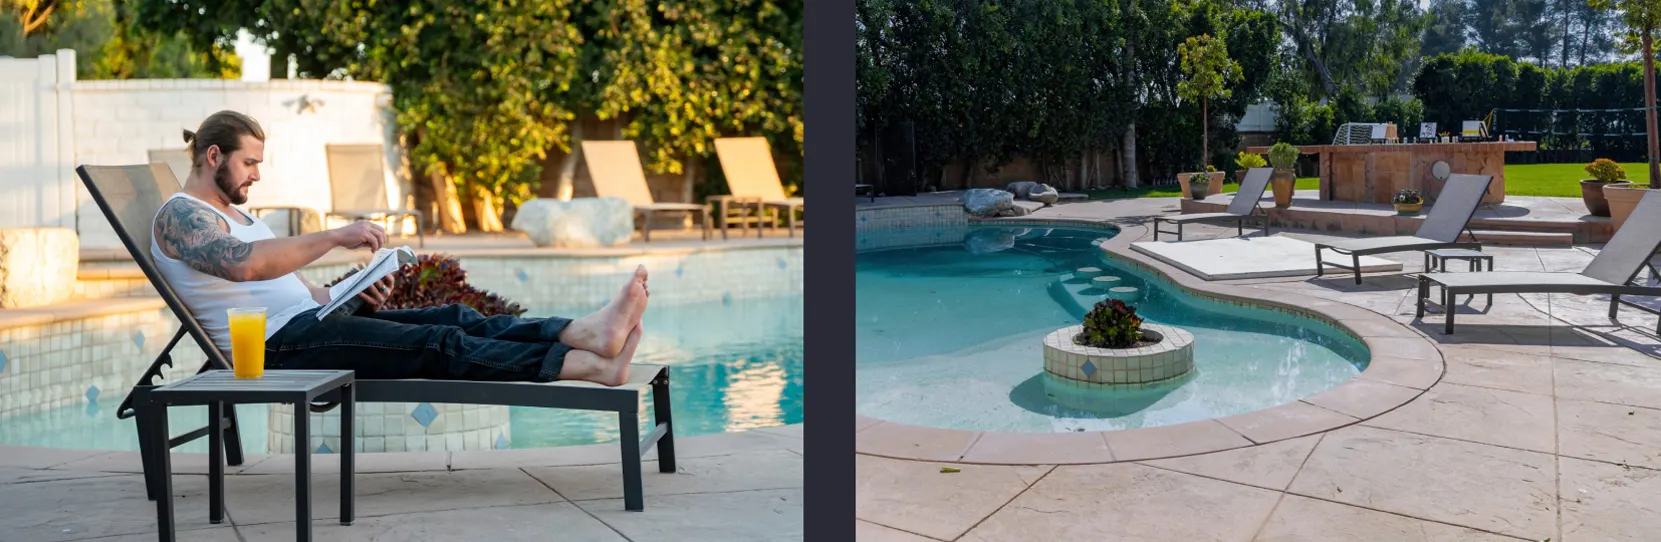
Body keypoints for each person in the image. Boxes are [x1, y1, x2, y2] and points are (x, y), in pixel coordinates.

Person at [150, 110, 645, 386]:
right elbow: (246, 266)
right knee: (437, 347)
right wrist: (336, 236)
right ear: (214, 156)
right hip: (276, 348)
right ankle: (587, 366)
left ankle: (583, 333)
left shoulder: (239, 215)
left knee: (454, 318)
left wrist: (351, 294)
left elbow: (293, 286)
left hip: (308, 324)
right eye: (249, 163)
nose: (257, 174)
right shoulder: (181, 215)